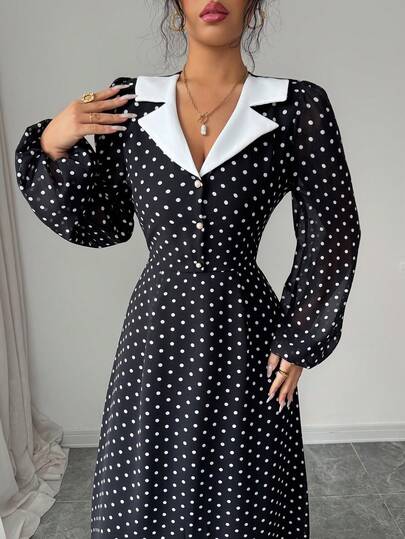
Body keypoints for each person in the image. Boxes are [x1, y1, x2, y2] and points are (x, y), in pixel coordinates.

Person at [14, 1, 361, 537]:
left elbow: (332, 230)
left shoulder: (297, 107)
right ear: (177, 8)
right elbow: (103, 223)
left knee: (244, 490)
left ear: (254, 7)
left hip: (245, 333)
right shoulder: (133, 103)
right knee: (144, 487)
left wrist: (300, 338)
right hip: (155, 333)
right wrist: (51, 142)